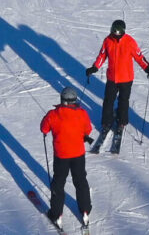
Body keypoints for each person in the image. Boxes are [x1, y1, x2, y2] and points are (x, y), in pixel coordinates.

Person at [83, 19, 149, 154]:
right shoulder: (107, 40)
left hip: (126, 78)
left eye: (118, 33)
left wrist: (148, 68)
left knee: (123, 101)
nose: (116, 35)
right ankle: (106, 123)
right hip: (112, 77)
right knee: (108, 100)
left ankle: (121, 122)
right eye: (114, 32)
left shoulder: (130, 42)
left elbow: (139, 57)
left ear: (123, 32)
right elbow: (102, 55)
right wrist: (95, 67)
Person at [38, 87, 94, 228]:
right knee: (80, 181)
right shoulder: (82, 113)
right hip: (78, 155)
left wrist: (47, 119)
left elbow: (44, 129)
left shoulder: (53, 114)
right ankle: (85, 210)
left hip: (61, 156)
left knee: (58, 183)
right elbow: (88, 129)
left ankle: (56, 215)